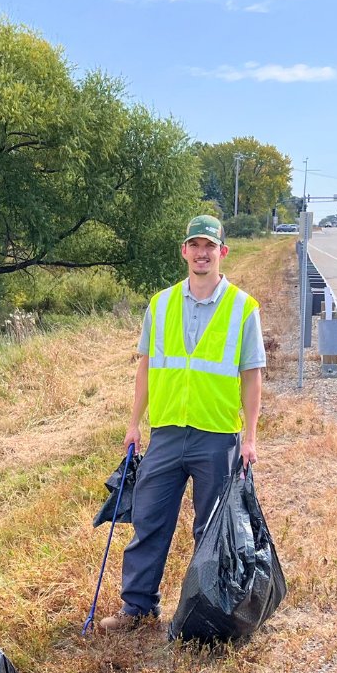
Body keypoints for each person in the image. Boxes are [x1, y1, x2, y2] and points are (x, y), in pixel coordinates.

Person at [98, 215, 266, 632]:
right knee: (149, 520)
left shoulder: (243, 308)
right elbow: (146, 367)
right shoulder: (161, 304)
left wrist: (250, 437)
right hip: (167, 432)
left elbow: (252, 375)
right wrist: (134, 423)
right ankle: (137, 608)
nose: (202, 252)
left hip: (217, 434)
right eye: (194, 245)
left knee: (212, 530)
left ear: (222, 252)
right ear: (184, 252)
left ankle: (208, 611)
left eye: (209, 246)